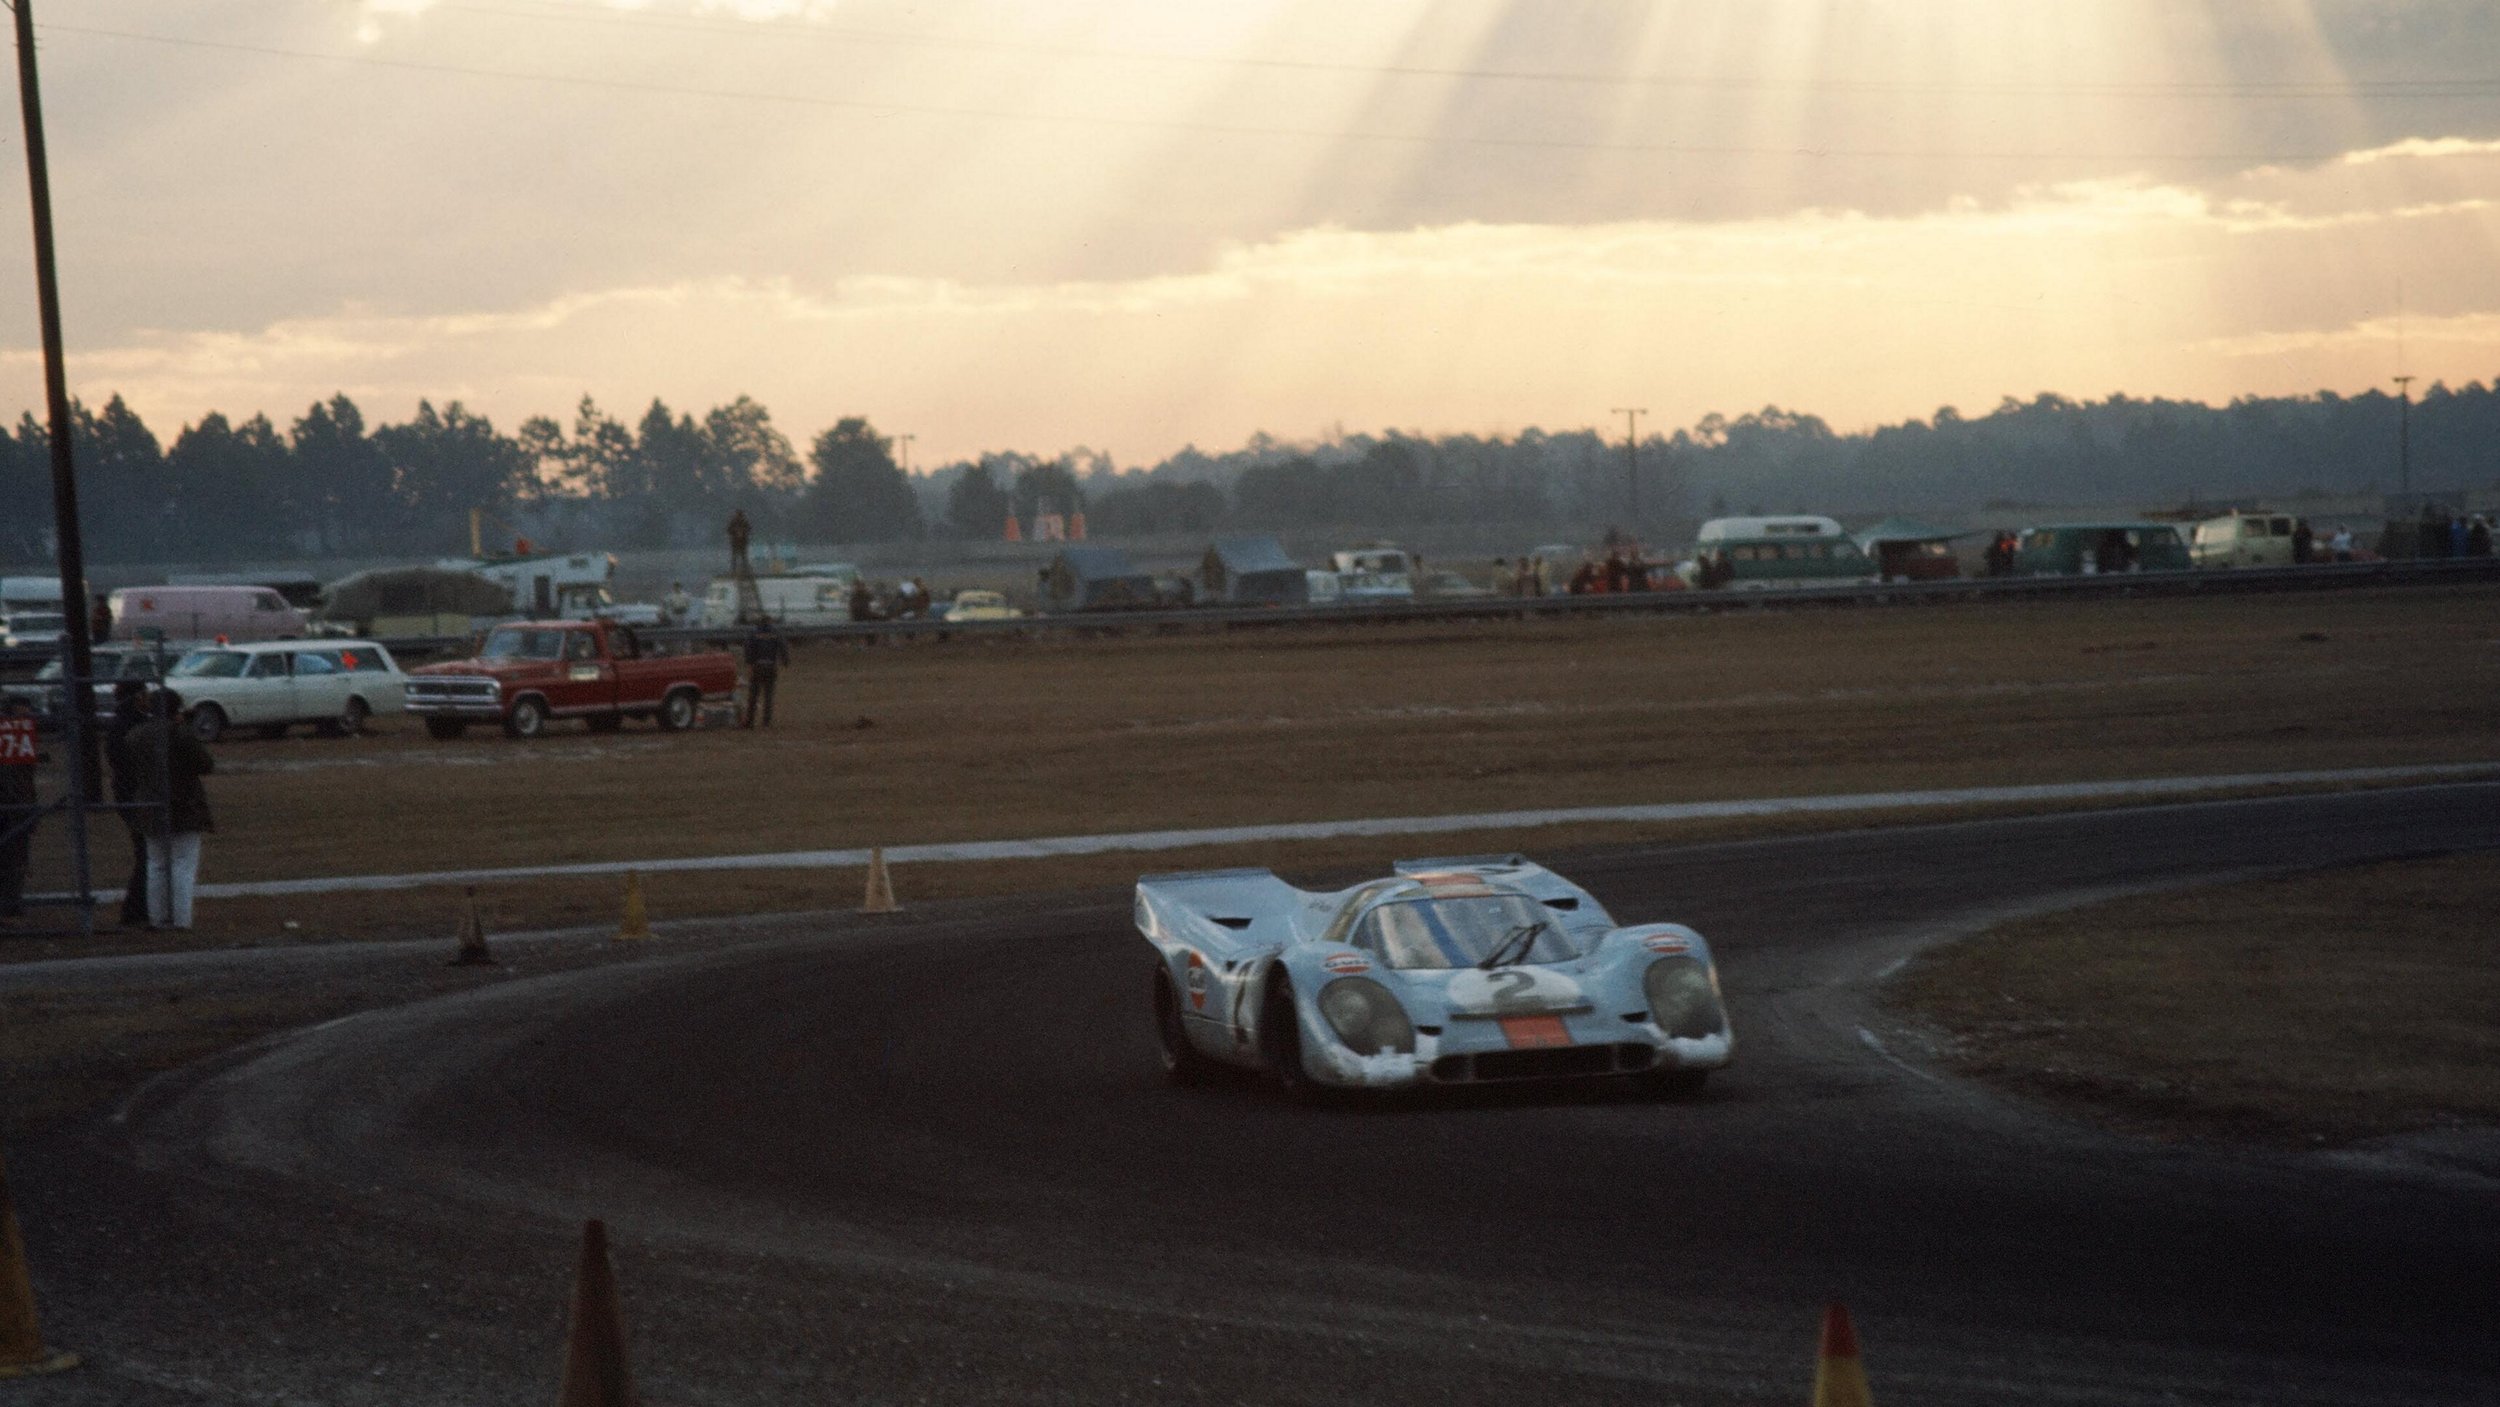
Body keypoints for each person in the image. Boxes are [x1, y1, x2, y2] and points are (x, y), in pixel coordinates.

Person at [127, 688, 214, 931]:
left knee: (156, 865)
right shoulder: (178, 734)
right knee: (183, 864)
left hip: (148, 803)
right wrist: (184, 727)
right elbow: (205, 764)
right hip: (183, 802)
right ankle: (181, 919)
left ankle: (158, 918)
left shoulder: (136, 734)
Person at [106, 678, 152, 927]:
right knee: (146, 853)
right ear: (136, 698)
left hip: (128, 794)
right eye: (145, 695)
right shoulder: (131, 726)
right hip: (135, 795)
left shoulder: (120, 723)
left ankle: (138, 909)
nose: (148, 700)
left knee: (145, 852)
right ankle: (136, 910)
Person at [0, 697, 36, 924]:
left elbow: (26, 780)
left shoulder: (22, 741)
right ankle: (9, 902)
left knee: (18, 856)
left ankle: (12, 901)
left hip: (19, 804)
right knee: (10, 857)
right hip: (11, 803)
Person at [742, 617, 791, 728]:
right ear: (770, 622)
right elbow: (783, 647)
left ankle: (750, 721)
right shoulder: (775, 633)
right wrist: (785, 661)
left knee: (754, 695)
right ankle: (766, 722)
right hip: (771, 666)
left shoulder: (753, 633)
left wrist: (749, 664)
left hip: (757, 666)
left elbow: (748, 648)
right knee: (768, 695)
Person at [726, 507, 752, 572]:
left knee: (743, 557)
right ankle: (734, 569)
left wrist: (743, 531)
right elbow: (729, 530)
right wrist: (735, 531)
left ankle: (744, 569)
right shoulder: (733, 522)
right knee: (735, 556)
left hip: (742, 541)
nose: (739, 516)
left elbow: (749, 529)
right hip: (736, 542)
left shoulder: (744, 522)